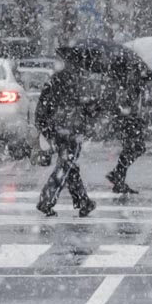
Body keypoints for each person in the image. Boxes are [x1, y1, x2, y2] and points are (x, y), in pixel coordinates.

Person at [35, 66, 97, 218]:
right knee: (65, 167)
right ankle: (47, 201)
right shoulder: (81, 83)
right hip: (72, 130)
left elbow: (43, 104)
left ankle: (84, 201)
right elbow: (89, 108)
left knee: (69, 167)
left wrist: (45, 127)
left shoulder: (55, 79)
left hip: (56, 130)